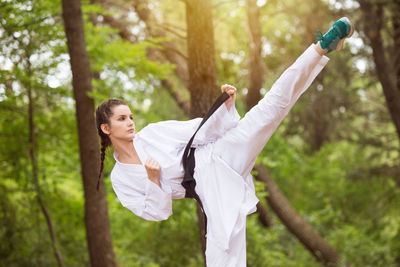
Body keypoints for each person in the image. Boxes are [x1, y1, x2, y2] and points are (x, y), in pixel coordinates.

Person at [95, 17, 354, 267]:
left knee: (273, 106)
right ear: (106, 128)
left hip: (217, 154)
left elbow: (196, 132)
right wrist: (153, 181)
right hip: (210, 189)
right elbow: (157, 213)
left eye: (130, 116)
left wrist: (224, 108)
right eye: (121, 119)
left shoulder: (150, 134)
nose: (130, 122)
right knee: (223, 256)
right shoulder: (121, 178)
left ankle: (321, 46)